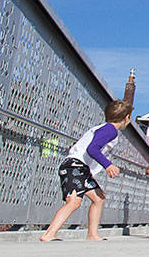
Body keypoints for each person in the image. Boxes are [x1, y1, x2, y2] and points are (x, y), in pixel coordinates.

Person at [40, 100, 131, 241]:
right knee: (74, 201)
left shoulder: (104, 128)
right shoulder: (111, 129)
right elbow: (92, 148)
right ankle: (49, 234)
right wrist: (108, 165)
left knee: (99, 197)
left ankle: (93, 234)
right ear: (127, 117)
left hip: (80, 168)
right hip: (75, 166)